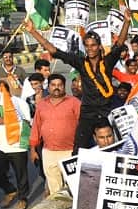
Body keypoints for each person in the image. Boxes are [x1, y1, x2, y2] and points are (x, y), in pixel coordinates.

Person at [25, 13, 131, 149]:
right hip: (88, 112)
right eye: (87, 46)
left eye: (93, 45)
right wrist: (32, 31)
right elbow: (54, 51)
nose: (90, 49)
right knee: (79, 149)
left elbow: (120, 43)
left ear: (99, 46)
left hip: (107, 110)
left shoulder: (108, 62)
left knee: (113, 146)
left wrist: (127, 21)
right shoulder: (80, 62)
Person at [29, 73, 81, 200]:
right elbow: (36, 127)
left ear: (64, 86)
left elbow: (83, 126)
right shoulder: (42, 104)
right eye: (53, 85)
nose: (56, 87)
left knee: (74, 186)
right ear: (49, 87)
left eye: (59, 85)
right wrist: (33, 149)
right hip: (49, 152)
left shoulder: (74, 103)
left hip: (70, 151)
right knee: (55, 189)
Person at [0, 81, 33, 209]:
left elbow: (27, 122)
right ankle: (10, 190)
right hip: (0, 145)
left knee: (21, 174)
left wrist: (25, 144)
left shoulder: (19, 103)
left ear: (3, 90)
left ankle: (23, 198)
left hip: (17, 145)